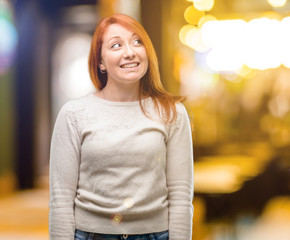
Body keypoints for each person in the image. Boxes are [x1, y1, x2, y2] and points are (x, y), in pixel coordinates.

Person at [49, 13, 194, 240]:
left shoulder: (172, 112)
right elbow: (61, 200)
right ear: (100, 62)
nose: (130, 52)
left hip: (155, 235)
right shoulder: (73, 114)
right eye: (116, 45)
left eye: (137, 42)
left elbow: (181, 196)